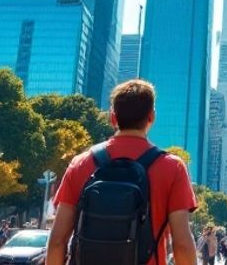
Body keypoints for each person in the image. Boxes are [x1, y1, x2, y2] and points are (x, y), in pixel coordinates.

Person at [47, 79, 198, 265]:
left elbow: (56, 242)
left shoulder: (81, 164)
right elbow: (182, 244)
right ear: (151, 117)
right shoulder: (172, 167)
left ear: (112, 118)